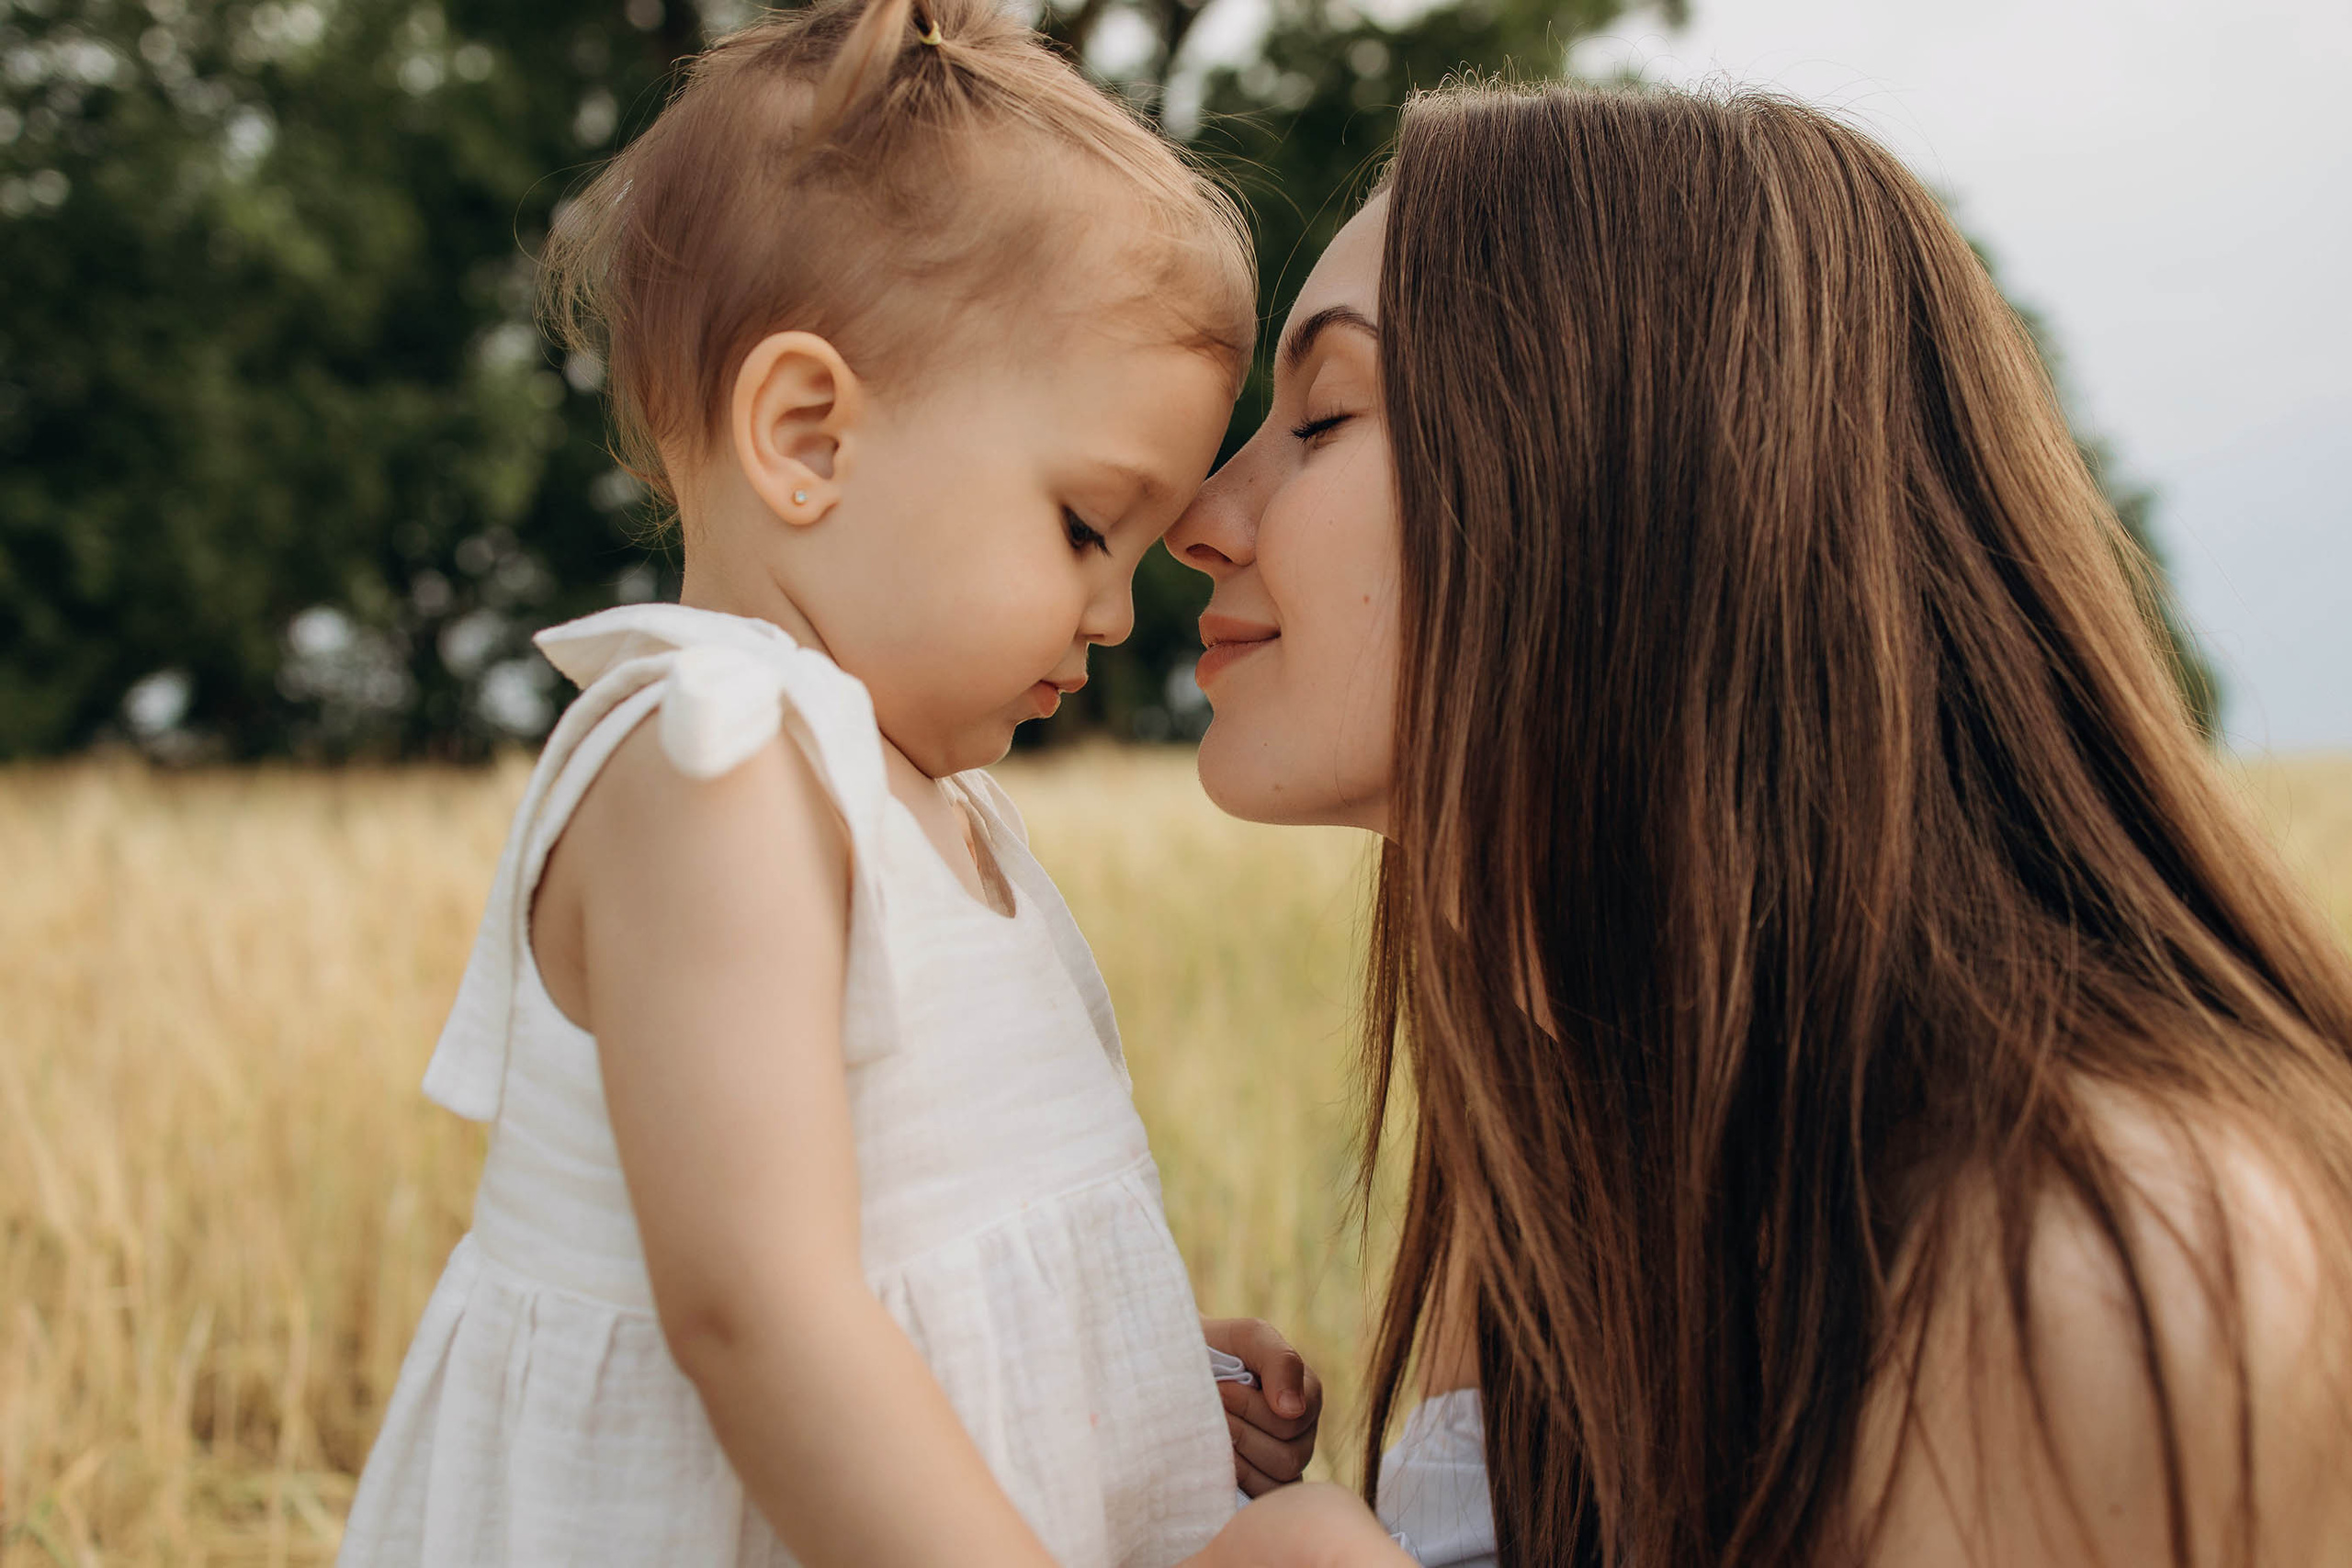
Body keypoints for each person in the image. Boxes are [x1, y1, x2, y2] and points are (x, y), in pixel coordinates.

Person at [1175, 81, 2352, 1568]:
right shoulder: (1585, 1127)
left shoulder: (2111, 1262)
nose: (1200, 514)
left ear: (1625, 475)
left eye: (1324, 414)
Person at [336, 2, 1323, 1562]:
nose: (1120, 612)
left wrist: (1127, 1373)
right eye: (1085, 526)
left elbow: (917, 1257)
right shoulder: (718, 758)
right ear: (806, 435)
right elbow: (760, 1310)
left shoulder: (913, 795)